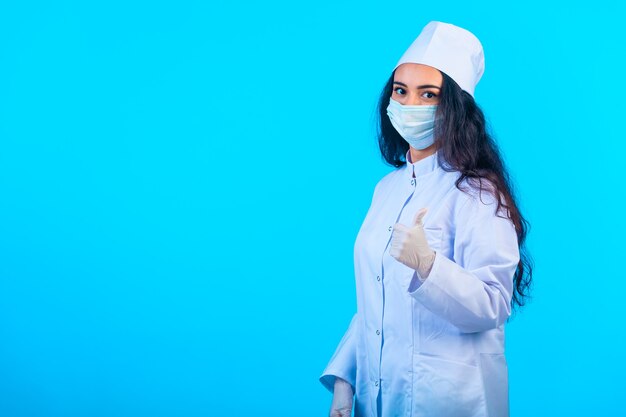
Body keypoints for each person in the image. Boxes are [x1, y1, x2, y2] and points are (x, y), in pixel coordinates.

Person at [319, 21, 533, 417]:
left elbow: (492, 305)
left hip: (450, 400)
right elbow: (374, 305)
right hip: (378, 397)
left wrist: (429, 266)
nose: (409, 105)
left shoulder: (477, 194)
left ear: (454, 106)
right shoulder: (386, 189)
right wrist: (345, 381)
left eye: (428, 94)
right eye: (401, 91)